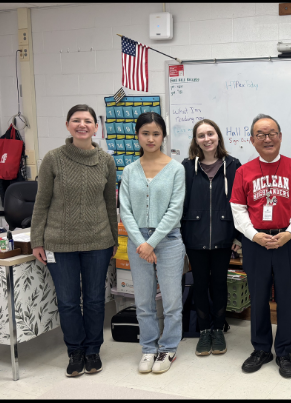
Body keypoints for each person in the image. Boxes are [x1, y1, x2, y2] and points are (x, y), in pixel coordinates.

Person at [31, 104, 118, 377]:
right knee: (68, 301)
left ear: (96, 127)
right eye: (77, 120)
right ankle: (75, 352)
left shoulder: (106, 161)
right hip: (59, 243)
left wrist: (114, 239)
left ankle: (93, 350)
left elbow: (109, 204)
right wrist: (37, 240)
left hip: (98, 242)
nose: (83, 125)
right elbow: (41, 202)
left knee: (94, 300)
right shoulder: (53, 158)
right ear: (68, 125)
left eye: (88, 121)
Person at [230, 114, 291, 379]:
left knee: (287, 298)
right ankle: (261, 349)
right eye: (261, 134)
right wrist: (254, 235)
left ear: (280, 136)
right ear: (252, 140)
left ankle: (284, 352)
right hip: (256, 243)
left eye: (272, 133)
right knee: (259, 296)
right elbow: (238, 209)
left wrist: (289, 232)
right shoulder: (243, 171)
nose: (268, 138)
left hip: (287, 242)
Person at [119, 112, 187, 374]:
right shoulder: (129, 170)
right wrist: (141, 243)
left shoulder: (176, 169)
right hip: (137, 242)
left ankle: (168, 348)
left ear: (163, 136)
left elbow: (174, 210)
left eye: (156, 133)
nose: (150, 138)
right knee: (144, 301)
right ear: (137, 135)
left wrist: (152, 242)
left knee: (171, 301)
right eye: (145, 133)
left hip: (168, 240)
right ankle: (148, 347)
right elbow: (125, 209)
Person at [180, 119, 242, 357]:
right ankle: (204, 330)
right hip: (194, 236)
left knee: (219, 284)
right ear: (196, 140)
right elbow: (180, 204)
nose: (207, 139)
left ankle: (218, 329)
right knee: (200, 284)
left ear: (218, 136)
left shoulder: (234, 165)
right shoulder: (186, 167)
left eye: (210, 134)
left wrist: (237, 236)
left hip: (224, 236)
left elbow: (241, 203)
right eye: (201, 135)